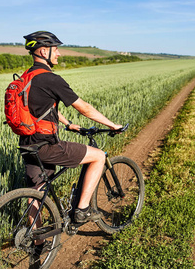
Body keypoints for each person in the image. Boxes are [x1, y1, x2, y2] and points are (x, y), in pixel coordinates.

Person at [21, 31, 123, 224]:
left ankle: (36, 244)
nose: (58, 53)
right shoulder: (51, 79)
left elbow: (43, 108)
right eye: (56, 49)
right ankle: (82, 210)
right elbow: (84, 108)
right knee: (99, 156)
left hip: (27, 144)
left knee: (36, 193)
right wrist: (112, 125)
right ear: (43, 51)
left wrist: (68, 124)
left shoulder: (26, 78)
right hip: (47, 146)